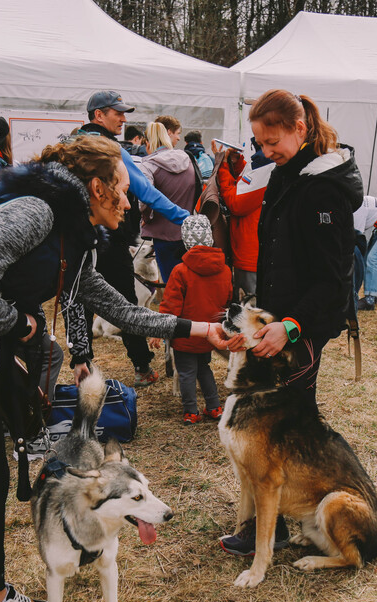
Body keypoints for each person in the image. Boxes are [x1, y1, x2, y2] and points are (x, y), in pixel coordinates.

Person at [0, 135, 228, 602]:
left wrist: (199, 330)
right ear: (96, 188)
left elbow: (120, 310)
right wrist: (23, 327)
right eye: (123, 189)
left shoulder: (72, 240)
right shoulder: (36, 213)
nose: (131, 202)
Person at [219, 89, 362, 558]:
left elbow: (334, 281)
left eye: (272, 140)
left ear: (300, 129)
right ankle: (278, 517)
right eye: (259, 142)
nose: (265, 151)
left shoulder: (323, 189)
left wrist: (292, 326)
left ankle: (275, 523)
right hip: (278, 322)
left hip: (301, 332)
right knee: (279, 431)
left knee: (275, 431)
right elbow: (280, 257)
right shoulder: (285, 174)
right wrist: (262, 314)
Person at [78, 90, 190, 386]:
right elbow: (144, 190)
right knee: (126, 302)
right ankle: (142, 367)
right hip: (109, 239)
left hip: (79, 237)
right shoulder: (108, 148)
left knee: (79, 300)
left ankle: (84, 368)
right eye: (118, 112)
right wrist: (184, 217)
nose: (124, 118)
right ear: (99, 115)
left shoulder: (74, 143)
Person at [152, 215, 231, 424]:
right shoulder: (224, 270)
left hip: (185, 332)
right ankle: (214, 407)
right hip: (210, 333)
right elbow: (227, 300)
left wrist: (158, 331)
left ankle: (191, 411)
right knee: (204, 369)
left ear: (185, 241)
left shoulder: (180, 271)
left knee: (186, 372)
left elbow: (170, 306)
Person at [139, 121, 198, 283]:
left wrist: (145, 218)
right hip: (190, 232)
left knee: (172, 285)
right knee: (189, 283)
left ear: (147, 142)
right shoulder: (188, 159)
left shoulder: (149, 165)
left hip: (163, 234)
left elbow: (144, 199)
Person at [215, 138, 274, 300]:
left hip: (250, 252)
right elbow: (248, 182)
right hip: (253, 249)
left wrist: (223, 167)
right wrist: (237, 163)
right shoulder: (266, 162)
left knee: (248, 306)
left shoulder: (265, 165)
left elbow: (237, 202)